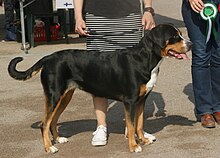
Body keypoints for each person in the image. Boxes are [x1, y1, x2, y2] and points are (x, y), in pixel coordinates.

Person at [74, 0, 156, 146]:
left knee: (134, 76)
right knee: (99, 76)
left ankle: (134, 129)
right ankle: (101, 126)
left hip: (130, 17)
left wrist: (148, 10)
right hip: (97, 17)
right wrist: (78, 17)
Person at [182, 0, 220, 128]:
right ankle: (205, 111)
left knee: (218, 56)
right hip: (196, 6)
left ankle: (218, 107)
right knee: (201, 56)